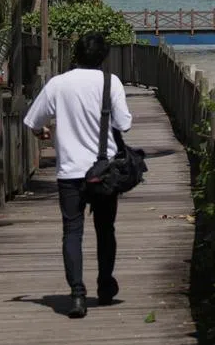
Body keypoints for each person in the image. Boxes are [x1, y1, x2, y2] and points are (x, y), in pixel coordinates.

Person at [23, 32, 133, 318]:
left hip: (69, 171)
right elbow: (124, 123)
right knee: (105, 229)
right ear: (103, 57)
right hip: (105, 170)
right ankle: (105, 284)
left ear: (76, 54)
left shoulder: (58, 84)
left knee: (72, 232)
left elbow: (34, 121)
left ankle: (77, 294)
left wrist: (43, 132)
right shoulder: (112, 83)